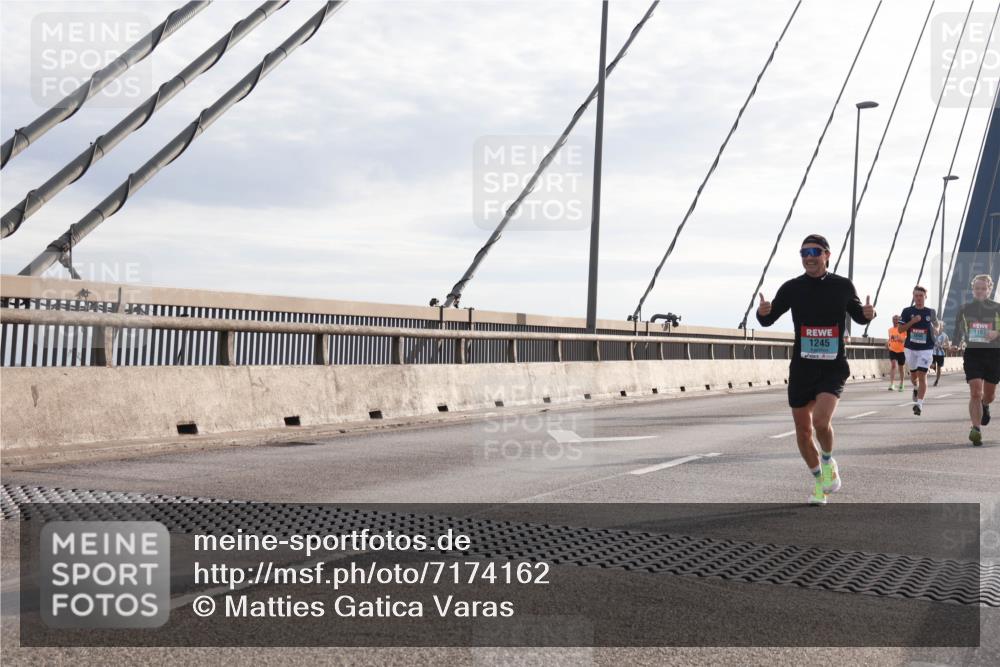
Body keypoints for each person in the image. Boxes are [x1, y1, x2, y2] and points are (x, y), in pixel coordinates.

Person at [757, 234, 875, 505]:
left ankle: (827, 461)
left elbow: (858, 317)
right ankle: (820, 482)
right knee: (802, 430)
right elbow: (768, 319)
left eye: (814, 251)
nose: (808, 257)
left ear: (827, 255)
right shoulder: (792, 288)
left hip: (832, 366)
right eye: (803, 253)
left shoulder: (842, 286)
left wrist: (869, 314)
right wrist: (762, 312)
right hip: (802, 366)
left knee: (821, 421)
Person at [951, 274, 1000, 446]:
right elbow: (957, 330)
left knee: (989, 395)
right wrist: (955, 344)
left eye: (983, 288)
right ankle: (976, 429)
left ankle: (985, 405)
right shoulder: (964, 309)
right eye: (976, 288)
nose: (980, 291)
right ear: (973, 289)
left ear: (989, 289)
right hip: (973, 354)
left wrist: (997, 333)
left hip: (994, 355)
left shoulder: (997, 308)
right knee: (975, 392)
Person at [897, 286, 937, 416]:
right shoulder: (907, 311)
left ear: (925, 297)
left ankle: (919, 404)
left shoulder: (931, 312)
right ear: (913, 296)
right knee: (914, 376)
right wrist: (912, 321)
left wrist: (937, 328)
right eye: (916, 296)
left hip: (926, 349)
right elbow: (900, 330)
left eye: (921, 296)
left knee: (922, 374)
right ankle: (915, 388)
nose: (919, 298)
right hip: (911, 348)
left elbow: (937, 325)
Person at [887, 315, 906, 391]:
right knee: (893, 365)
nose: (895, 321)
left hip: (901, 351)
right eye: (893, 319)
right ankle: (892, 384)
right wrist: (888, 343)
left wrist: (899, 338)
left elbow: (904, 340)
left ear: (899, 321)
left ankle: (902, 383)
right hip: (892, 350)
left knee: (901, 368)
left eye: (896, 319)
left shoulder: (903, 329)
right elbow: (890, 339)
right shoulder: (890, 330)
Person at [932, 321, 950, 387]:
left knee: (939, 368)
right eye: (937, 326)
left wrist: (943, 346)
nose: (939, 327)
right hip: (933, 353)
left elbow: (948, 345)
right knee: (932, 365)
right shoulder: (932, 334)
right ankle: (933, 366)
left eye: (941, 326)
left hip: (941, 354)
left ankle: (937, 380)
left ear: (942, 327)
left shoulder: (945, 336)